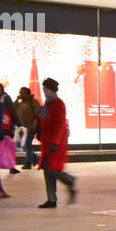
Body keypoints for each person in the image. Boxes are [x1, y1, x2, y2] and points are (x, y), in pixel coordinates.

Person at [37, 77, 76, 209]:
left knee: (52, 169)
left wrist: (55, 142)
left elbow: (60, 124)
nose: (44, 91)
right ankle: (51, 198)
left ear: (51, 90)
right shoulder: (47, 103)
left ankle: (69, 180)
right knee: (48, 170)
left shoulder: (58, 103)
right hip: (48, 142)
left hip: (56, 142)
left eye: (46, 89)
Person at [15, 85, 41, 170]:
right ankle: (37, 159)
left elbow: (37, 114)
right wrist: (16, 99)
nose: (20, 95)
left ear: (27, 94)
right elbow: (13, 108)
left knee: (27, 144)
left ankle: (28, 163)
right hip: (23, 128)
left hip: (31, 127)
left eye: (22, 93)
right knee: (25, 145)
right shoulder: (20, 102)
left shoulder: (33, 102)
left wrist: (34, 125)